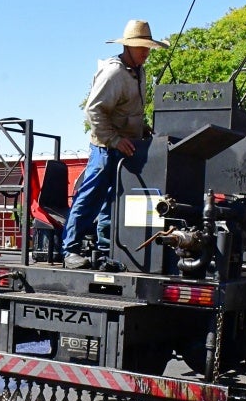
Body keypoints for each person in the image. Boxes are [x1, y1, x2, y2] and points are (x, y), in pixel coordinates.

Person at [62, 20, 169, 269]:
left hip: (125, 147)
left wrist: (140, 129)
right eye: (142, 47)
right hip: (106, 148)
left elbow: (128, 109)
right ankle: (70, 251)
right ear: (128, 47)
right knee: (91, 197)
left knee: (115, 201)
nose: (146, 52)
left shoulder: (138, 71)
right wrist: (115, 140)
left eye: (148, 48)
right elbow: (94, 111)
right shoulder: (114, 72)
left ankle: (105, 250)